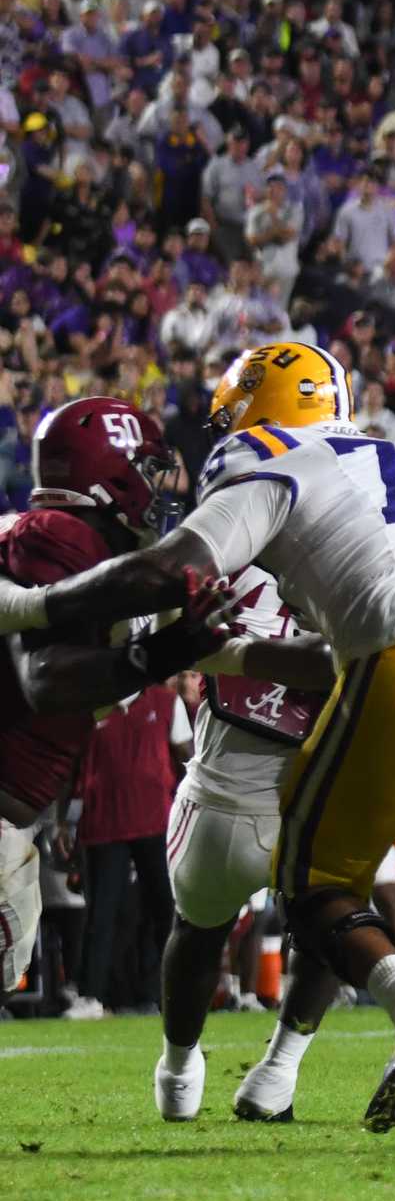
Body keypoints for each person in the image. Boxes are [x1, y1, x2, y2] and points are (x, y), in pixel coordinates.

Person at [2, 347, 395, 1143]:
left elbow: (172, 574)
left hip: (384, 681)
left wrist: (37, 609)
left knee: (307, 887)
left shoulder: (267, 464)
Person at [0, 399, 217, 997]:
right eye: (145, 470)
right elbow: (44, 679)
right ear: (107, 470)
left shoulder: (76, 544)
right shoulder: (61, 533)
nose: (156, 488)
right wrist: (155, 657)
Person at [158, 566, 341, 1122]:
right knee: (333, 929)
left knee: (196, 931)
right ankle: (277, 1073)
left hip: (219, 803)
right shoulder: (357, 572)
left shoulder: (229, 564)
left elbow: (163, 639)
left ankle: (179, 1071)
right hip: (315, 804)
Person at [73, 681, 191, 1017]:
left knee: (164, 909)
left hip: (156, 820)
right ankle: (92, 996)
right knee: (102, 913)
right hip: (103, 823)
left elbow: (188, 757)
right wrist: (64, 820)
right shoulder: (90, 702)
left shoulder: (167, 702)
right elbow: (72, 764)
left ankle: (168, 992)